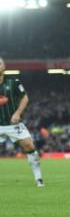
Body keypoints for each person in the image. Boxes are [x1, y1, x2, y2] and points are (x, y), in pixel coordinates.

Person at [0, 58, 44, 187]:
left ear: (4, 66)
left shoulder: (13, 82)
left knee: (29, 146)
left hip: (13, 124)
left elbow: (25, 97)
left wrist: (18, 113)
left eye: (0, 63)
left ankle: (38, 178)